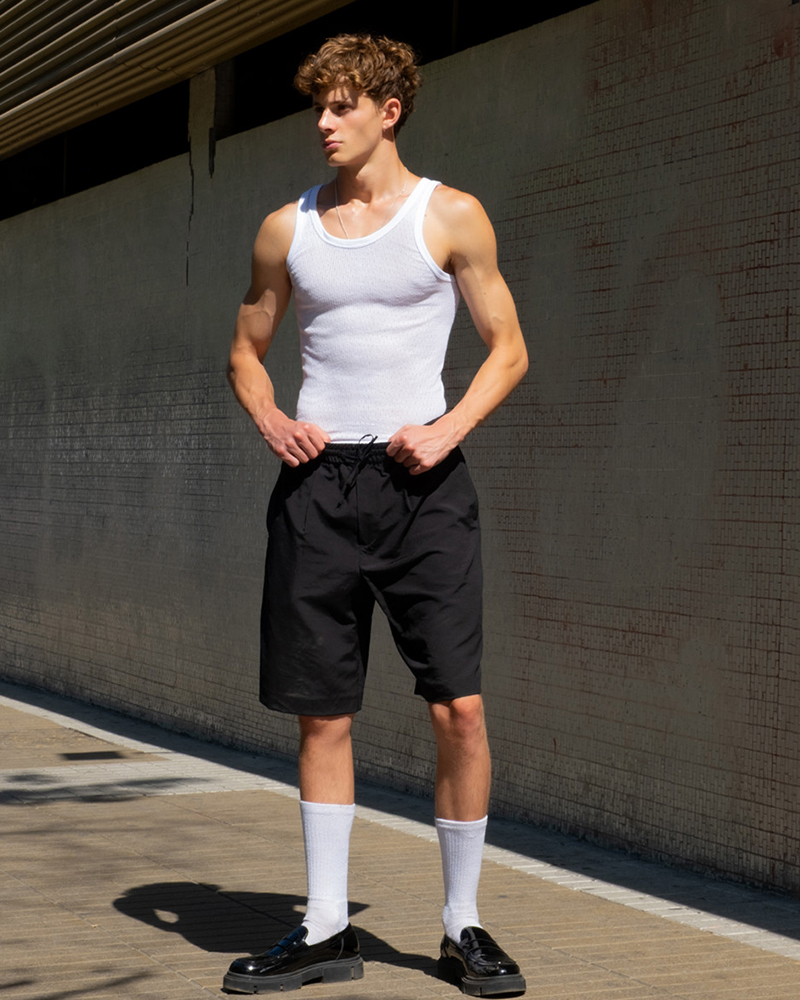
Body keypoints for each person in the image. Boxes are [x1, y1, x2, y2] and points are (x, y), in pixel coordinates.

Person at [223, 33, 528, 997]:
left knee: (460, 709)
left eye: (341, 105)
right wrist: (273, 420)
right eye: (317, 107)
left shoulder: (451, 215)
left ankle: (463, 925)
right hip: (317, 488)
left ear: (389, 111)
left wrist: (448, 429)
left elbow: (509, 348)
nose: (323, 122)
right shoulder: (287, 229)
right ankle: (324, 929)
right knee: (323, 715)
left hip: (422, 486)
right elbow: (245, 350)